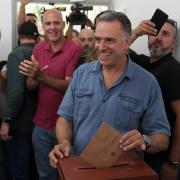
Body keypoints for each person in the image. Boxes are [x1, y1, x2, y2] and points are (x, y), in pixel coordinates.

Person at [49, 11, 170, 169]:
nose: (101, 47)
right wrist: (64, 143)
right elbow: (65, 118)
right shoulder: (81, 74)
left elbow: (162, 138)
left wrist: (145, 141)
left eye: (110, 40)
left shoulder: (147, 83)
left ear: (127, 42)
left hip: (122, 173)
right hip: (79, 168)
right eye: (98, 39)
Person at [19, 9, 82, 180]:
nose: (52, 27)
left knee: (69, 175)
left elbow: (69, 87)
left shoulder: (74, 49)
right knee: (45, 175)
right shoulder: (38, 48)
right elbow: (31, 86)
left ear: (63, 24)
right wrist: (34, 77)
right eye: (48, 23)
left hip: (68, 128)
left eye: (56, 23)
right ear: (42, 26)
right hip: (41, 126)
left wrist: (41, 76)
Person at [130, 19, 180, 180]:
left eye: (165, 34)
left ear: (174, 43)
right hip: (141, 151)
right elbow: (115, 49)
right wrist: (136, 32)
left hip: (161, 159)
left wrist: (174, 162)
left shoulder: (173, 70)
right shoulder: (143, 63)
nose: (157, 37)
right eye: (154, 33)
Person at [0, 21, 39, 180]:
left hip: (21, 121)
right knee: (36, 168)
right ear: (36, 36)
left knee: (20, 170)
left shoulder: (16, 55)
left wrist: (7, 119)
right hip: (40, 120)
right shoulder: (42, 52)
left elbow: (15, 92)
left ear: (19, 36)